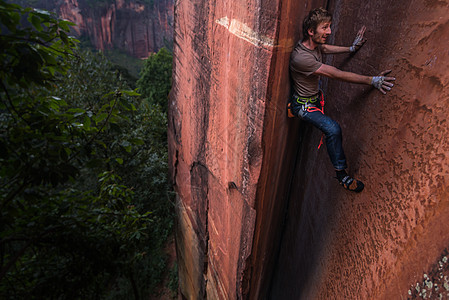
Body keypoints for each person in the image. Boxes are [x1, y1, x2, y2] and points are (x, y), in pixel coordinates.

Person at [288, 7, 395, 192]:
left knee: (329, 125)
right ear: (311, 31)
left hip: (312, 98)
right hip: (303, 105)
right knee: (333, 129)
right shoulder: (301, 58)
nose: (329, 32)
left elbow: (325, 48)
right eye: (325, 28)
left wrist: (351, 48)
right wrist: (372, 80)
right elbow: (336, 74)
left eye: (329, 27)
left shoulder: (311, 45)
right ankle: (341, 176)